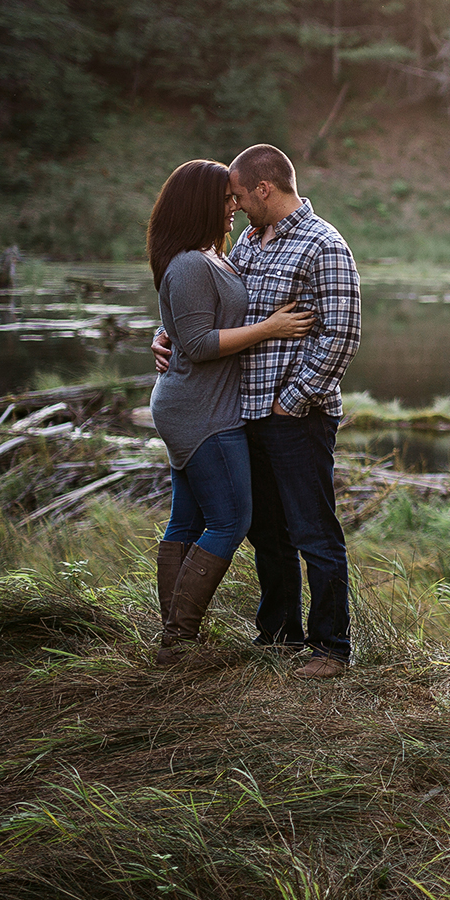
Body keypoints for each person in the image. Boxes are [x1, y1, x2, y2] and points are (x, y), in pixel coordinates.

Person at [154, 143, 362, 679]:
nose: (237, 205)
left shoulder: (324, 244)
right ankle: (278, 639)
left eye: (241, 195)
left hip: (297, 416)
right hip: (242, 414)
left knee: (313, 530)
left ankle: (331, 649)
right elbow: (214, 305)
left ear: (264, 189)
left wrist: (290, 403)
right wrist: (167, 334)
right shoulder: (247, 244)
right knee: (266, 534)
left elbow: (341, 336)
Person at [145, 160, 315, 668]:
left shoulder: (213, 256)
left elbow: (182, 329)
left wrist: (162, 336)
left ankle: (174, 642)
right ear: (202, 204)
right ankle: (179, 639)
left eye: (236, 196)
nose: (234, 206)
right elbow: (197, 344)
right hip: (201, 410)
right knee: (231, 518)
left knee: (188, 518)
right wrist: (270, 328)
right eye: (225, 199)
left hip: (196, 403)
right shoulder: (193, 263)